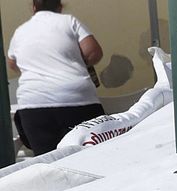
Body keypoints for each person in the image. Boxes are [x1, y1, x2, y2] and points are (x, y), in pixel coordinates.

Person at [5, 0, 104, 155]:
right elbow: (93, 52)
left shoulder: (20, 31)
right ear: (60, 7)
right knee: (91, 156)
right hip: (77, 101)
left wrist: (35, 68)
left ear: (34, 7)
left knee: (48, 161)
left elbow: (12, 63)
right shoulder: (69, 21)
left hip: (33, 106)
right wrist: (77, 61)